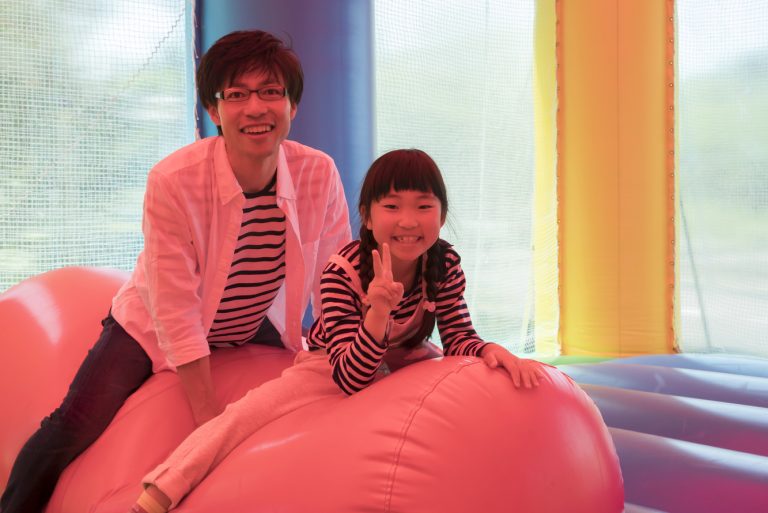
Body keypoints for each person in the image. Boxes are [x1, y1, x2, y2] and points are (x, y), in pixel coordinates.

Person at [0, 30, 351, 513]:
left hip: (250, 322)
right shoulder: (174, 180)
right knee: (72, 425)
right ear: (213, 110)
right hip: (151, 326)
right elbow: (175, 306)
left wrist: (362, 354)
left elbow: (337, 278)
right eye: (237, 95)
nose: (255, 108)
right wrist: (207, 417)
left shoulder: (319, 173)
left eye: (271, 92)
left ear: (293, 106)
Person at [129, 148, 544, 513]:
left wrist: (488, 351)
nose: (408, 221)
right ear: (367, 216)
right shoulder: (341, 272)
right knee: (246, 413)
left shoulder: (444, 264)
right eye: (392, 206)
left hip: (407, 357)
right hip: (331, 363)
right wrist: (378, 312)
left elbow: (457, 338)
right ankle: (164, 487)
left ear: (442, 215)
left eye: (423, 206)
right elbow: (351, 378)